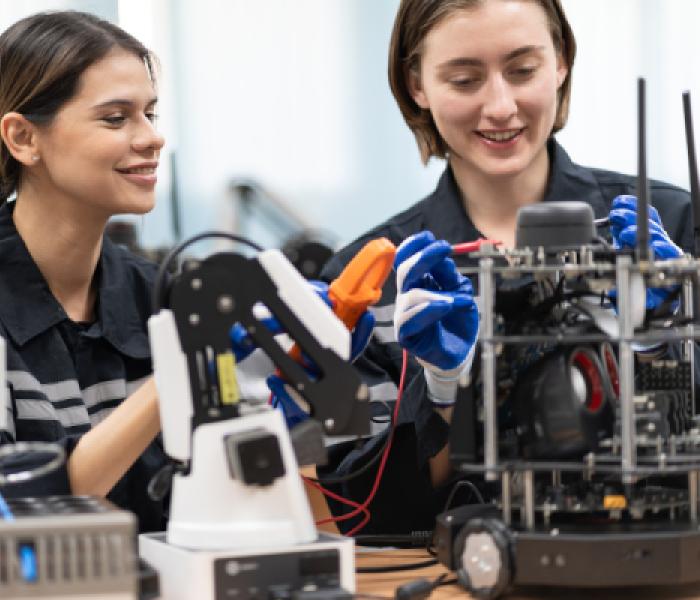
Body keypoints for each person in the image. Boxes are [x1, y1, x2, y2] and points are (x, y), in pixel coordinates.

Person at [317, 0, 694, 535]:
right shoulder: (373, 278)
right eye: (465, 79)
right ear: (417, 84)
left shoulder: (674, 227)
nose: (499, 106)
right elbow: (371, 516)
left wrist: (664, 343)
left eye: (522, 71)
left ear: (561, 61)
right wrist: (442, 391)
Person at [0, 11, 166, 532]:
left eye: (150, 114)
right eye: (116, 119)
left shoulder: (159, 297)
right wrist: (179, 379)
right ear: (24, 138)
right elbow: (20, 517)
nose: (151, 139)